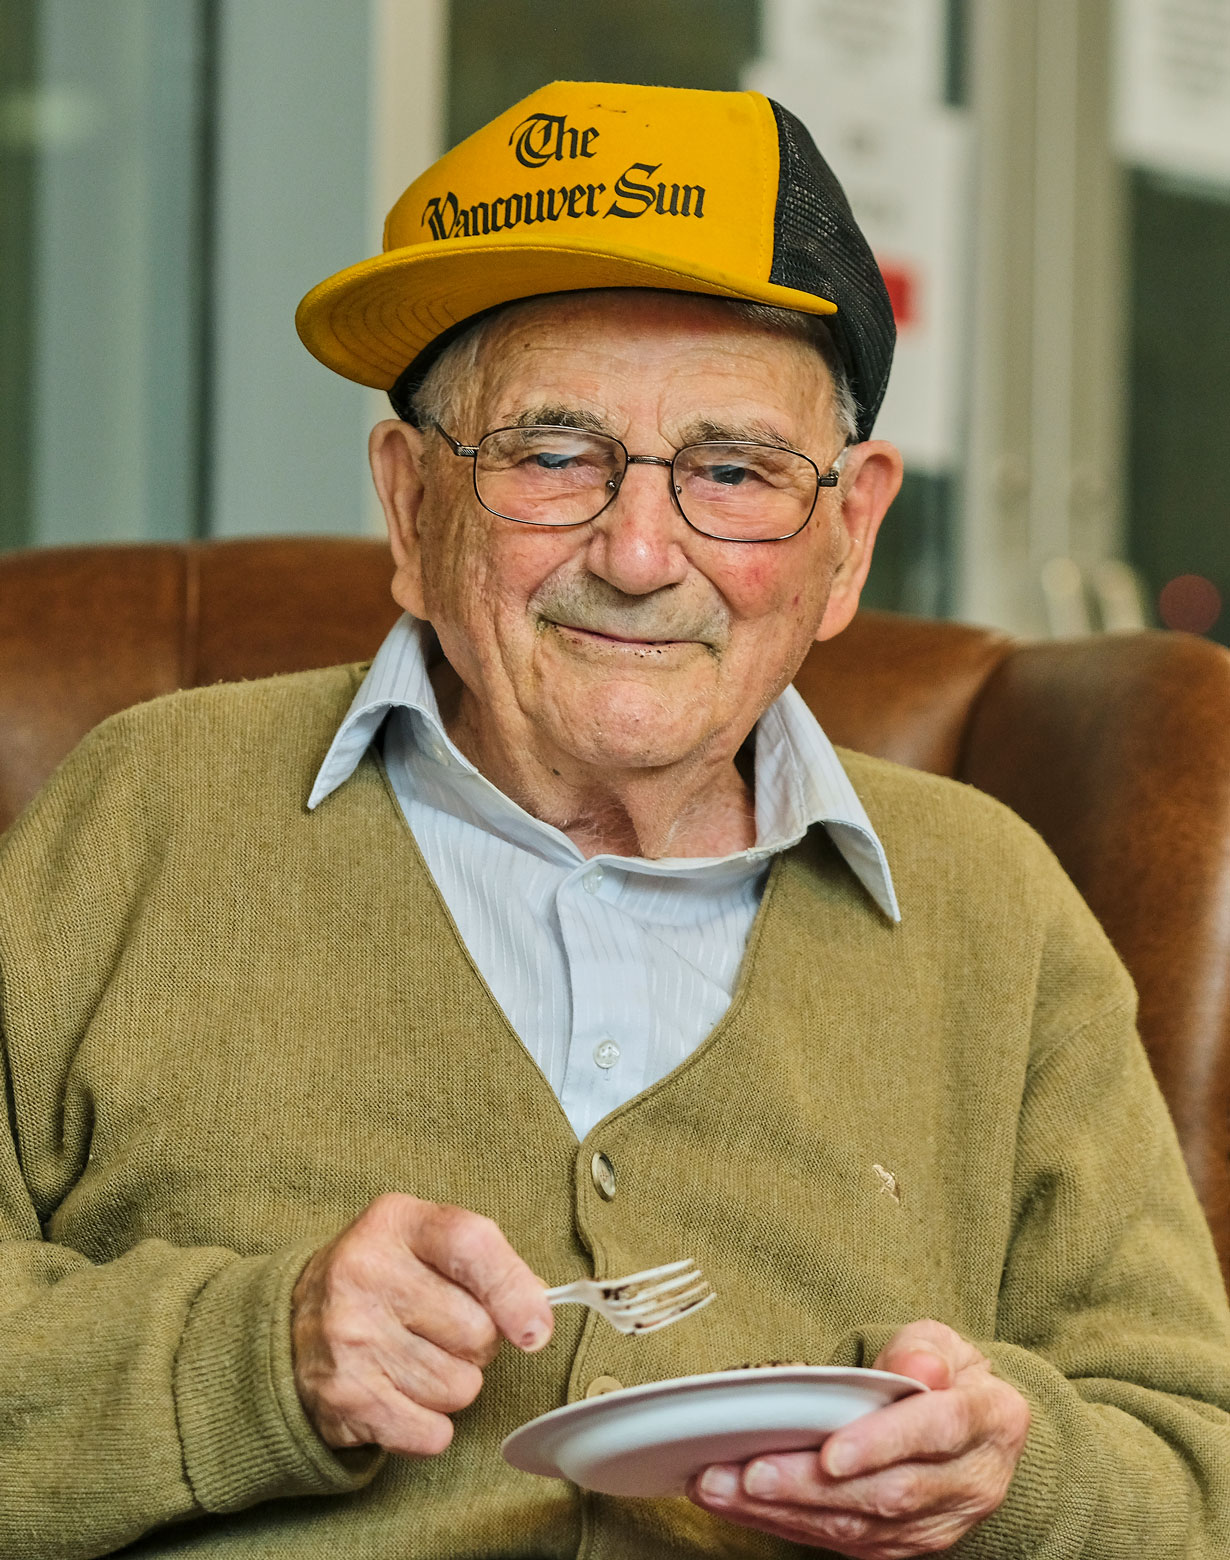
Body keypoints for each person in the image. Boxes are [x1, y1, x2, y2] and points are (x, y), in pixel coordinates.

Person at [1, 79, 1228, 1560]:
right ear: (409, 509)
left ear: (847, 543)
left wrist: (1008, 1477)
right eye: (550, 455)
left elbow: (1190, 1468)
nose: (639, 553)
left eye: (733, 473)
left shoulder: (991, 903)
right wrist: (242, 1360)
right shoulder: (145, 809)